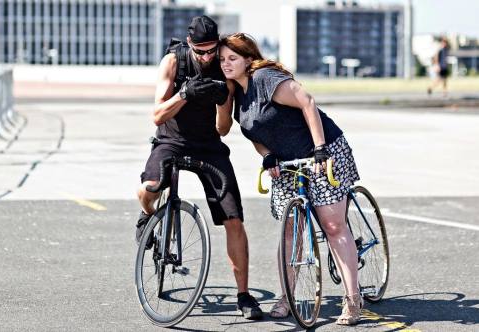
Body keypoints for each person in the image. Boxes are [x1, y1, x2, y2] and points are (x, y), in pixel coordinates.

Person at [219, 33, 362, 325]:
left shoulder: (265, 78)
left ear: (248, 60)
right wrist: (267, 155)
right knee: (290, 231)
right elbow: (256, 135)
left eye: (232, 58)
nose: (225, 64)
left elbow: (307, 102)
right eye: (221, 59)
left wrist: (320, 149)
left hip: (324, 150)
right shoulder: (238, 97)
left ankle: (353, 299)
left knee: (333, 225)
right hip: (287, 164)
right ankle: (288, 296)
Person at [136, 17, 263, 320]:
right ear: (190, 45)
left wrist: (222, 100)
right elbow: (156, 115)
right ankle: (147, 216)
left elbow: (222, 129)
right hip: (171, 141)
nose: (207, 58)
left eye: (211, 51)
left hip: (208, 146)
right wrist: (185, 94)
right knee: (149, 188)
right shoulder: (173, 61)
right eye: (200, 52)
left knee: (233, 218)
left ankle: (244, 296)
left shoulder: (224, 68)